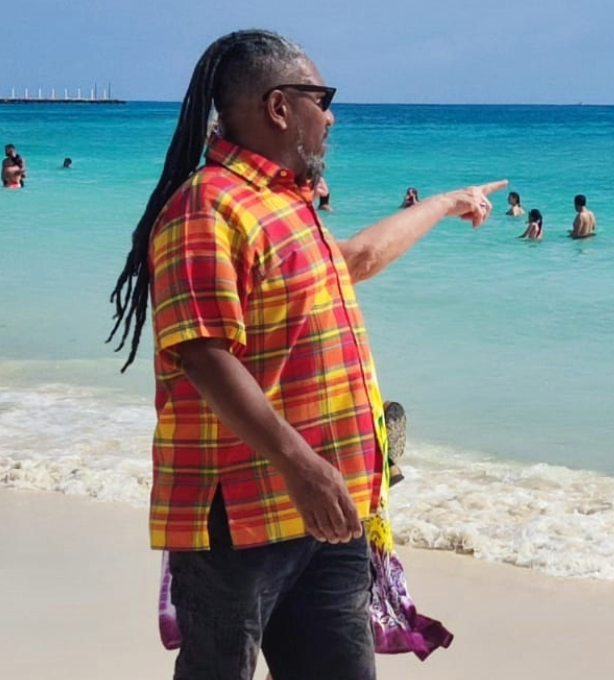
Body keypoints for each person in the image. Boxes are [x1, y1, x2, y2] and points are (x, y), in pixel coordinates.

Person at [104, 29, 505, 680]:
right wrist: (300, 464)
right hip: (243, 510)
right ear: (279, 106)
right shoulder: (206, 208)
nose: (333, 115)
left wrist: (444, 203)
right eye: (323, 98)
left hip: (329, 508)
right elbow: (203, 353)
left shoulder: (284, 202)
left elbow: (356, 260)